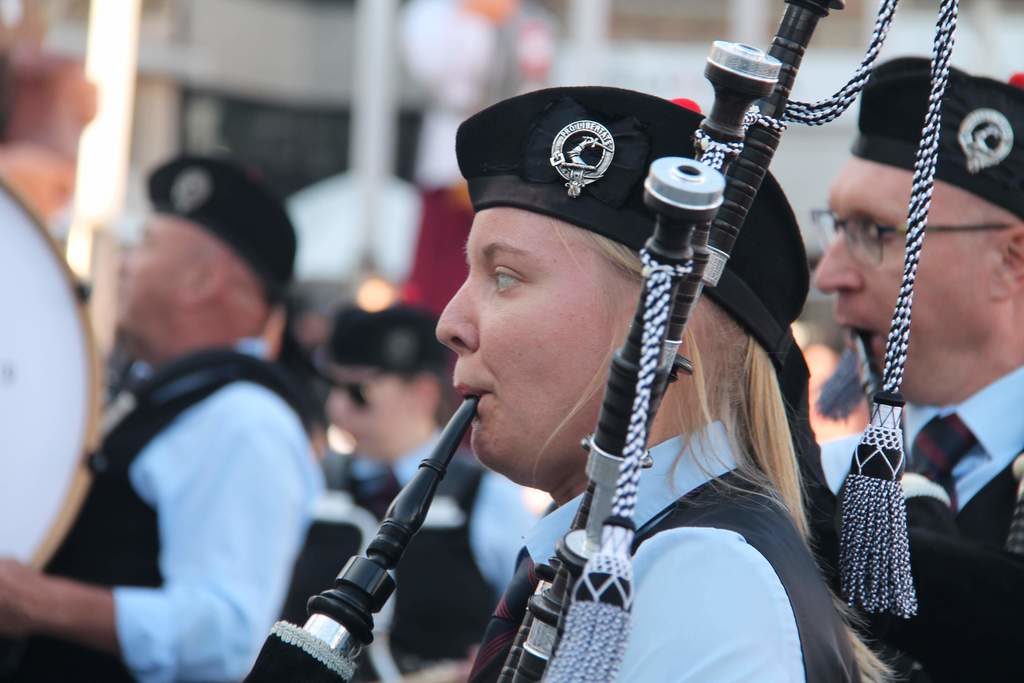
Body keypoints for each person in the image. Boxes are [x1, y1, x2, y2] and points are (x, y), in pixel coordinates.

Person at [435, 86, 887, 682]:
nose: (450, 325)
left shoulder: (705, 580)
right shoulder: (648, 560)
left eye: (505, 276)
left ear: (660, 325)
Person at [0, 155, 323, 682]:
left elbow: (226, 636)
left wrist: (38, 602)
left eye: (143, 244)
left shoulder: (246, 421)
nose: (122, 262)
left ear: (201, 281)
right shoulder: (172, 398)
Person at [813, 58, 1024, 682]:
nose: (830, 277)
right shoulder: (836, 474)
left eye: (874, 232)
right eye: (836, 230)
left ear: (1011, 260)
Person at [282, 304, 534, 678]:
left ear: (422, 392)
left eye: (358, 392)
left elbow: (527, 618)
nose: (336, 408)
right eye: (330, 388)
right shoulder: (311, 484)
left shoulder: (485, 497)